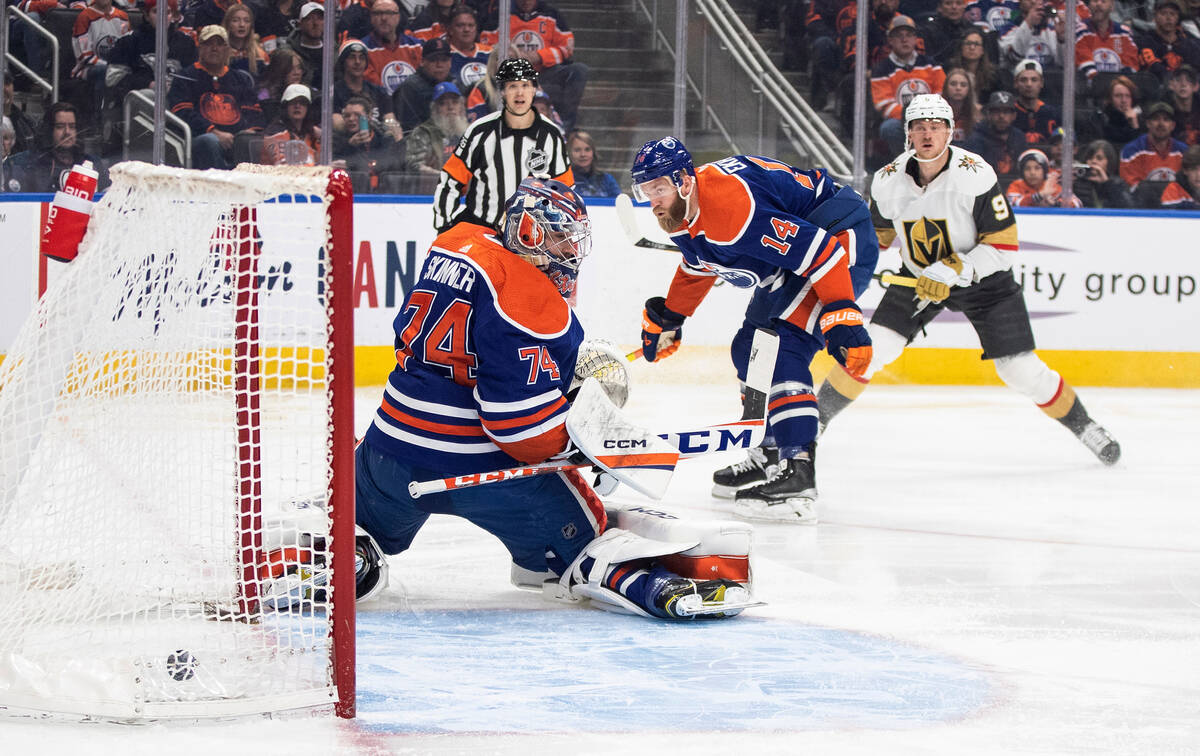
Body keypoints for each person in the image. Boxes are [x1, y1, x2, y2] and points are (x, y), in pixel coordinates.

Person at [354, 176, 751, 620]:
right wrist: (585, 442)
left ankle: (353, 554)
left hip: (387, 454)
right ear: (528, 233)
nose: (570, 252)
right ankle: (641, 583)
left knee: (354, 516)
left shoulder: (454, 245)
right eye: (561, 238)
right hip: (475, 471)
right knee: (589, 538)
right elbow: (520, 433)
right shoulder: (531, 300)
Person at [814, 94, 1120, 474]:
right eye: (919, 127)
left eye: (936, 126)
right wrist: (841, 257)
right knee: (869, 351)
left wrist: (956, 268)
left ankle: (1085, 426)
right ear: (907, 133)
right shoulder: (887, 181)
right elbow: (875, 238)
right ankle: (814, 423)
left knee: (1020, 370)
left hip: (985, 279)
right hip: (918, 277)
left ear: (950, 132)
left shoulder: (975, 174)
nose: (928, 134)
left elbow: (1003, 246)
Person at [629, 137, 879, 523]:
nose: (653, 201)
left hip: (840, 234)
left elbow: (822, 252)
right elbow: (697, 266)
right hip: (801, 252)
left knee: (783, 348)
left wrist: (841, 312)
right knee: (748, 347)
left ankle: (798, 472)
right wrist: (672, 318)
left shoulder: (732, 208)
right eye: (647, 191)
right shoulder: (680, 211)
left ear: (684, 181)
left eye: (658, 188)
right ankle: (770, 451)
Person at [433, 57, 573, 231]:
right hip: (482, 231)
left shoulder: (551, 135)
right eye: (512, 86)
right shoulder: (479, 132)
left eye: (525, 85)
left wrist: (559, 230)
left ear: (534, 90)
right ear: (502, 92)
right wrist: (443, 227)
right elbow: (451, 181)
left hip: (531, 235)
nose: (520, 93)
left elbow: (564, 190)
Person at [167, 25, 264, 170]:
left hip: (237, 139)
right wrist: (214, 132)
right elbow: (183, 113)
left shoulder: (240, 78)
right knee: (210, 141)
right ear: (200, 48)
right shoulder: (185, 77)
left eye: (219, 44)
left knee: (251, 140)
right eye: (208, 43)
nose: (214, 48)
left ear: (227, 49)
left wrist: (249, 131)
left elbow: (253, 111)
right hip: (200, 138)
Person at [498, 0, 589, 131]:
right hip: (513, 76)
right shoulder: (502, 15)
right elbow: (487, 46)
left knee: (579, 70)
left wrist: (540, 56)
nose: (526, 1)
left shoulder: (552, 15)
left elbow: (567, 48)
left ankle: (565, 125)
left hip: (546, 74)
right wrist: (506, 54)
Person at [871, 14, 947, 156]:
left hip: (932, 119)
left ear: (915, 39)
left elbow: (942, 92)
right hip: (901, 123)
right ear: (890, 40)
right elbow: (884, 105)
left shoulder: (931, 64)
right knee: (889, 127)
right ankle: (907, 160)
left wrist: (927, 116)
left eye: (909, 35)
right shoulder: (881, 69)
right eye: (899, 36)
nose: (904, 40)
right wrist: (913, 117)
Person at [104, 0, 196, 106]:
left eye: (167, 12)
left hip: (179, 99)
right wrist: (148, 84)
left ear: (173, 16)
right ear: (147, 16)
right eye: (156, 11)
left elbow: (195, 76)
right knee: (148, 96)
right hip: (141, 101)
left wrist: (177, 86)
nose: (162, 17)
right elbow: (113, 79)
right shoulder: (129, 41)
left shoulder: (186, 42)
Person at [3, 102, 109, 193]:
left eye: (72, 127)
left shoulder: (93, 164)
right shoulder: (26, 164)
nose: (67, 132)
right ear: (49, 130)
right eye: (60, 127)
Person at [333, 38, 403, 142]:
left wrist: (395, 134)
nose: (357, 62)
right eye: (352, 57)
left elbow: (390, 119)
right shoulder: (334, 93)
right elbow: (338, 125)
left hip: (378, 145)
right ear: (343, 62)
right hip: (346, 145)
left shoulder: (379, 92)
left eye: (362, 58)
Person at [333, 95, 404, 192]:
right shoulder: (337, 140)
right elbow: (335, 163)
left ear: (369, 117)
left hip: (382, 191)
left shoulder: (383, 138)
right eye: (347, 115)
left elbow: (392, 164)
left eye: (357, 115)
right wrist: (349, 146)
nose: (351, 119)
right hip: (351, 190)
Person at [404, 81, 468, 188]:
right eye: (443, 103)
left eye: (455, 102)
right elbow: (414, 167)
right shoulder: (423, 132)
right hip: (434, 190)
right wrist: (444, 177)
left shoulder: (470, 132)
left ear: (461, 107)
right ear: (435, 109)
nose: (450, 107)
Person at [1119, 100, 1187, 191]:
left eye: (1166, 119)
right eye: (1156, 119)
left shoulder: (1184, 152)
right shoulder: (1132, 151)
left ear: (1173, 126)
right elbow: (1131, 190)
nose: (1161, 124)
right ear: (1148, 124)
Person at [362, 0, 422, 96]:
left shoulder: (417, 46)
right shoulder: (363, 49)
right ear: (372, 18)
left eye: (389, 13)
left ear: (398, 17)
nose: (384, 18)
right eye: (378, 13)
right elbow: (375, 89)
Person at [394, 37, 454, 131]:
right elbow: (409, 129)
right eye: (433, 60)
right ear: (422, 62)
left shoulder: (455, 83)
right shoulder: (410, 87)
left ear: (450, 63)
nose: (439, 65)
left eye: (444, 60)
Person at [1134, 0, 1200, 82]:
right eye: (1163, 13)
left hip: (1187, 85)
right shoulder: (1146, 41)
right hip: (1159, 86)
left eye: (1172, 14)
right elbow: (1153, 66)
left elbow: (1196, 67)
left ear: (1177, 18)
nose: (1168, 18)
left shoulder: (1187, 43)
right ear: (1155, 17)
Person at [1076, 0, 1140, 85]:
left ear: (1112, 6)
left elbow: (1130, 66)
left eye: (1103, 1)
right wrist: (1104, 85)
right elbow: (1084, 63)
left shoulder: (1124, 33)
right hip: (1088, 90)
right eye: (1095, 1)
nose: (1098, 4)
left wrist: (1119, 85)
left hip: (1119, 89)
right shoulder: (1080, 31)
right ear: (1089, 5)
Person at [965, 90, 1027, 175]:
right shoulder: (975, 139)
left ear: (1014, 116)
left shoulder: (1019, 137)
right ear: (989, 114)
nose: (1001, 116)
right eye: (997, 111)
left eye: (1006, 112)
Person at [260, 83, 319, 164]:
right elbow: (283, 165)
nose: (297, 106)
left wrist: (322, 138)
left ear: (308, 108)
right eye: (293, 102)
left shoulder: (312, 134)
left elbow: (323, 163)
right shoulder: (275, 133)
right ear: (285, 107)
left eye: (302, 102)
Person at [1005, 147, 1082, 205]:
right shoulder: (1017, 185)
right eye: (1027, 169)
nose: (1032, 173)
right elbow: (1013, 203)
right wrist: (1041, 195)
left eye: (1037, 168)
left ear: (1044, 171)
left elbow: (1077, 203)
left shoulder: (1052, 186)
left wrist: (1056, 204)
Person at [1072, 139, 1135, 207]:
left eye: (1099, 158)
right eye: (1090, 158)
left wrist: (1107, 183)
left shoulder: (1118, 184)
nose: (1093, 161)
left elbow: (1127, 207)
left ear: (1109, 162)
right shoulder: (1078, 183)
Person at [1011, 58, 1059, 146]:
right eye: (1023, 80)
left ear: (1041, 83)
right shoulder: (1009, 113)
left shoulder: (1052, 114)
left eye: (1034, 80)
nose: (1029, 84)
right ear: (1016, 83)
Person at [283, 2, 326, 90]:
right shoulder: (288, 52)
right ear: (300, 24)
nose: (315, 23)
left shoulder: (333, 50)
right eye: (309, 19)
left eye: (320, 18)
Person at [567, 130, 620, 197]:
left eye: (587, 149)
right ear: (569, 153)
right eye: (577, 150)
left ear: (593, 152)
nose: (583, 154)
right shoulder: (565, 180)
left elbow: (617, 201)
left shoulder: (607, 179)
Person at [223, 3, 269, 78]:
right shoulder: (220, 52)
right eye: (235, 20)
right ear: (228, 24)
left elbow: (265, 82)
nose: (242, 25)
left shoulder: (260, 54)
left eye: (247, 21)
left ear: (251, 26)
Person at [943, 67, 983, 143]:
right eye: (953, 84)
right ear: (946, 88)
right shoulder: (936, 112)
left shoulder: (978, 113)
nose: (958, 88)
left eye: (963, 85)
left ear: (969, 89)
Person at [1164, 65, 1200, 146]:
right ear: (1171, 85)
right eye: (1178, 80)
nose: (1183, 84)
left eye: (1189, 80)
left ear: (1196, 86)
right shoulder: (1163, 111)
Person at [1159, 143, 1200, 208]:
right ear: (1185, 170)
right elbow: (1170, 213)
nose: (1198, 175)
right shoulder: (1173, 189)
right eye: (1193, 169)